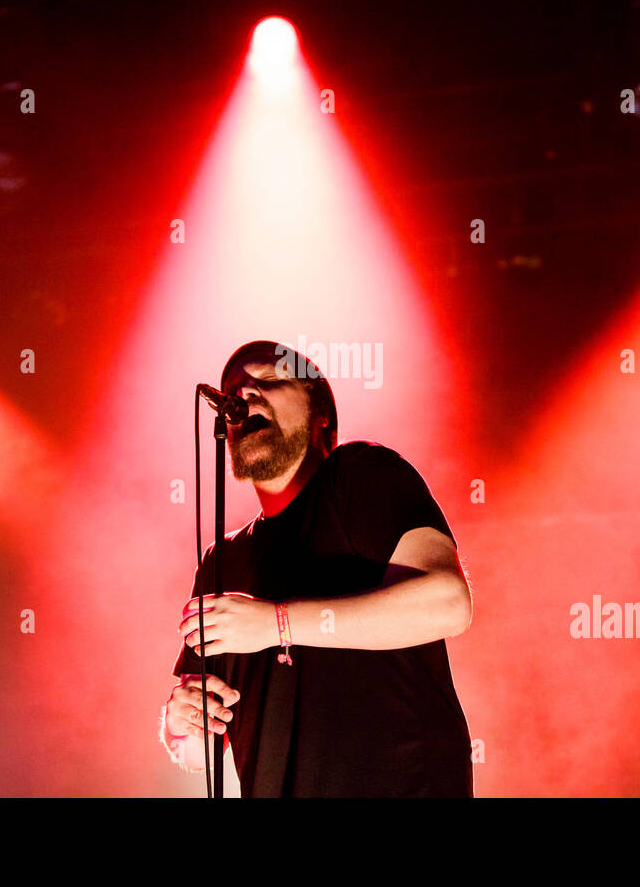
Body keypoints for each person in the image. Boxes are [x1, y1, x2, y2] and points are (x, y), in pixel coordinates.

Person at [159, 339, 474, 796]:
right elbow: (195, 749)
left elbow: (448, 603)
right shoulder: (220, 562)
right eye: (234, 389)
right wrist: (179, 722)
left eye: (269, 380)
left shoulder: (359, 473)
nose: (244, 395)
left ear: (320, 414)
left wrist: (277, 623)